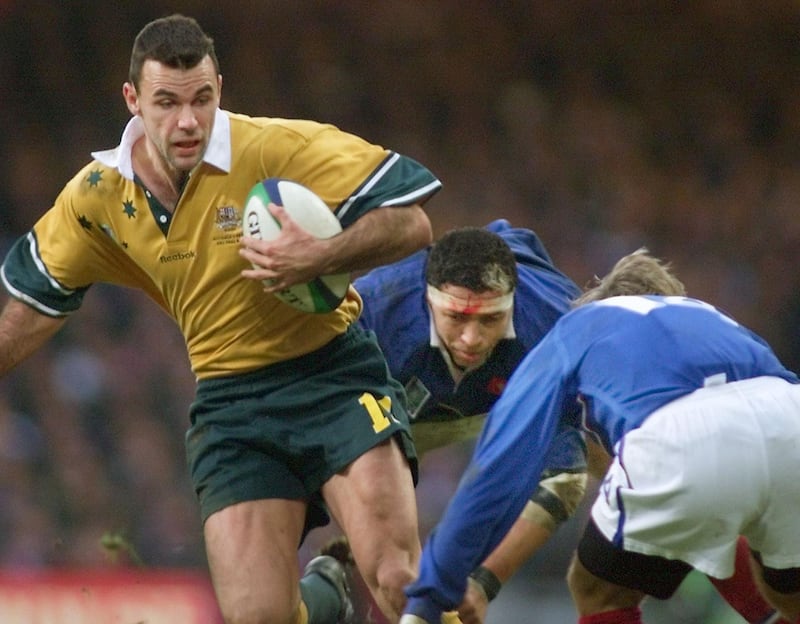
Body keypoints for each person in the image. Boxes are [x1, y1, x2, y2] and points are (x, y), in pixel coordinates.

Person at [0, 14, 443, 624]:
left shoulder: (273, 148)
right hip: (232, 407)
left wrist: (320, 255)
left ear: (219, 90)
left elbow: (413, 221)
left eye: (201, 99)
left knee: (399, 582)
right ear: (132, 100)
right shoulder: (97, 198)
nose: (187, 121)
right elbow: (29, 310)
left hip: (335, 376)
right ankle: (330, 595)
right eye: (167, 102)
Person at [399, 250, 800, 624]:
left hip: (677, 441)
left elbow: (500, 464)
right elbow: (739, 439)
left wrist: (433, 592)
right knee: (786, 596)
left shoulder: (578, 326)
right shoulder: (710, 316)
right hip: (788, 414)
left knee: (596, 590)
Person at [354, 219, 587, 623]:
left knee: (598, 451)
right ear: (428, 301)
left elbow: (564, 478)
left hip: (507, 400)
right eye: (456, 317)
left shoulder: (556, 324)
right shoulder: (373, 313)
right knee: (396, 575)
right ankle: (326, 592)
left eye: (490, 320)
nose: (471, 339)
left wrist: (483, 583)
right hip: (398, 414)